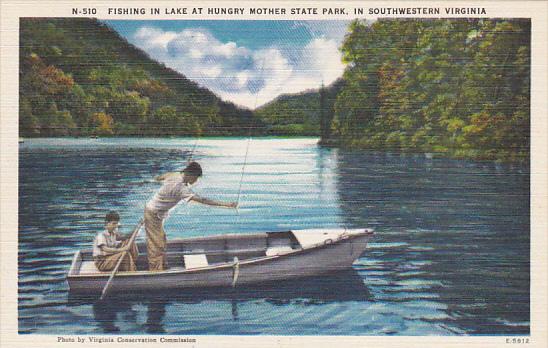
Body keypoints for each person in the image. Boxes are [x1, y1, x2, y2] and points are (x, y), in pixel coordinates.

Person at [145, 161, 237, 271]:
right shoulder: (181, 189)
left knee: (161, 241)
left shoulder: (174, 175)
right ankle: (156, 272)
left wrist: (154, 182)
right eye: (196, 178)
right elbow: (203, 200)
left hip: (155, 213)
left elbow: (160, 177)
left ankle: (162, 266)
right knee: (156, 245)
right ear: (190, 175)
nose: (196, 181)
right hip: (153, 214)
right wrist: (226, 205)